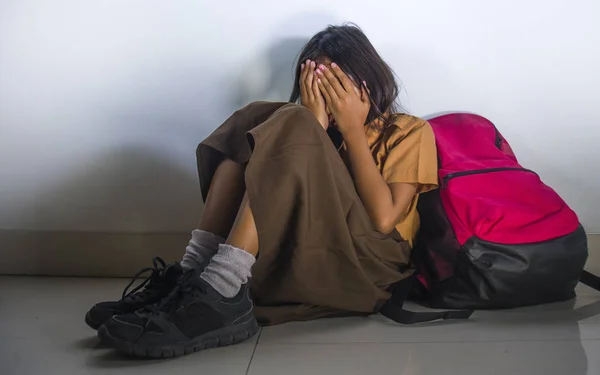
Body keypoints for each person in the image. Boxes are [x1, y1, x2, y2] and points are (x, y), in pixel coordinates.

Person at [85, 24, 438, 358]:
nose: (323, 96)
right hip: (316, 250)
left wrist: (351, 130)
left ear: (365, 83)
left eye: (332, 85)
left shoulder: (409, 131)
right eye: (313, 84)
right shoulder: (308, 127)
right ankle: (193, 276)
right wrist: (314, 125)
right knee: (256, 115)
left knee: (292, 120)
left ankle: (221, 289)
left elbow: (383, 218)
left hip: (373, 270)